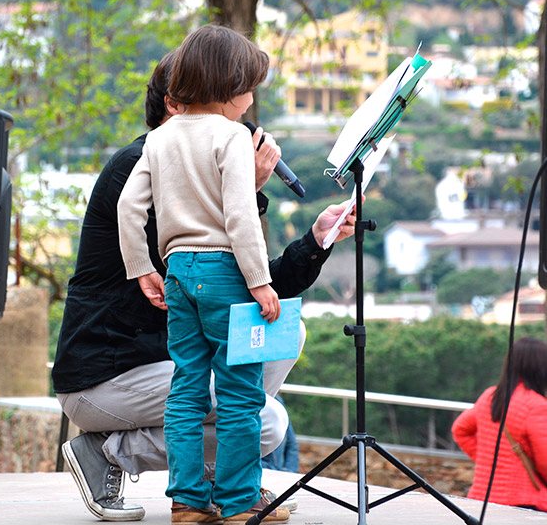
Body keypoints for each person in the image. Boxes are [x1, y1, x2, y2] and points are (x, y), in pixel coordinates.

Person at [54, 48, 356, 522]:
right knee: (259, 416)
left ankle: (201, 496)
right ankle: (111, 452)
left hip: (167, 344)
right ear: (176, 104)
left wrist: (317, 240)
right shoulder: (142, 159)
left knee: (279, 340)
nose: (248, 106)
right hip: (109, 373)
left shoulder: (179, 152)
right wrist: (243, 187)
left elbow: (251, 281)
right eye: (239, 93)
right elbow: (222, 252)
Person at [115, 24, 323, 524]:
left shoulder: (160, 139)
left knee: (186, 389)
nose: (251, 100)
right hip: (227, 271)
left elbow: (128, 207)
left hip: (179, 270)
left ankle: (186, 504)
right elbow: (240, 215)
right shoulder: (231, 137)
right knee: (239, 393)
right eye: (249, 88)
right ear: (230, 89)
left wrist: (142, 268)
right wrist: (259, 281)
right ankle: (237, 505)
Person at [451, 336, 547, 512]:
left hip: (481, 499)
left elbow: (460, 429)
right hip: (522, 502)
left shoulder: (490, 396)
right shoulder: (536, 405)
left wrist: (489, 460)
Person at [261, 397, 299, 473]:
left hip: (278, 472)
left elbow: (291, 444)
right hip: (258, 473)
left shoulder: (277, 402)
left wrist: (289, 473)